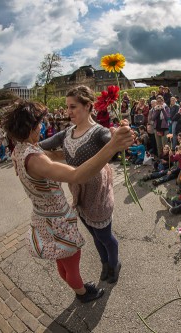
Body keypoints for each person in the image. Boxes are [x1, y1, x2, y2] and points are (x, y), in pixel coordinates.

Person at [1, 99, 133, 302]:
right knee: (71, 262)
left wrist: (82, 149)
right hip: (57, 221)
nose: (42, 126)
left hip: (43, 217)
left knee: (62, 261)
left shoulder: (19, 150)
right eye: (39, 124)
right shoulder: (35, 159)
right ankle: (82, 293)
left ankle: (77, 286)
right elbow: (77, 175)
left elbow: (52, 155)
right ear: (30, 128)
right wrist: (112, 146)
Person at [38, 86, 128, 284]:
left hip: (98, 193)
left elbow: (115, 143)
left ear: (88, 106)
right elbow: (41, 145)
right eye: (67, 107)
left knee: (105, 235)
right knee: (94, 234)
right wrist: (24, 145)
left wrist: (121, 135)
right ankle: (104, 262)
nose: (68, 112)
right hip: (79, 192)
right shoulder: (67, 133)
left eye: (73, 107)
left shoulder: (99, 132)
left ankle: (114, 264)